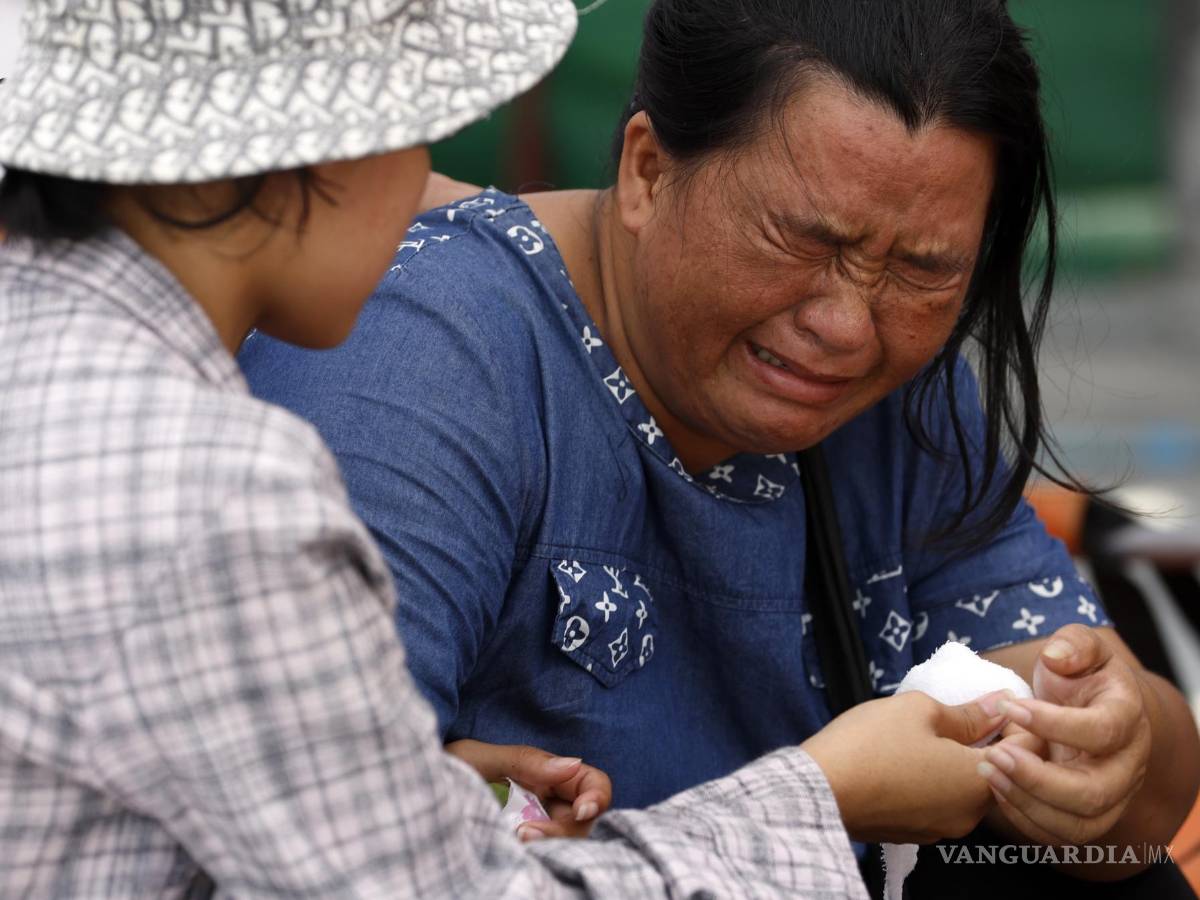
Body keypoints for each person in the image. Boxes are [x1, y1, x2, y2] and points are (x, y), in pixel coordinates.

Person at [241, 0, 1200, 884]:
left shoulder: (903, 398)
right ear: (648, 171)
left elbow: (1140, 829)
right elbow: (311, 849)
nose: (847, 327)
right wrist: (819, 800)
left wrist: (1110, 745)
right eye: (802, 240)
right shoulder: (427, 360)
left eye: (923, 268)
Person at [0, 1, 883, 896]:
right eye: (414, 139)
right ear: (318, 152)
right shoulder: (221, 490)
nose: (426, 186)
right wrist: (817, 794)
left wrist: (410, 791)